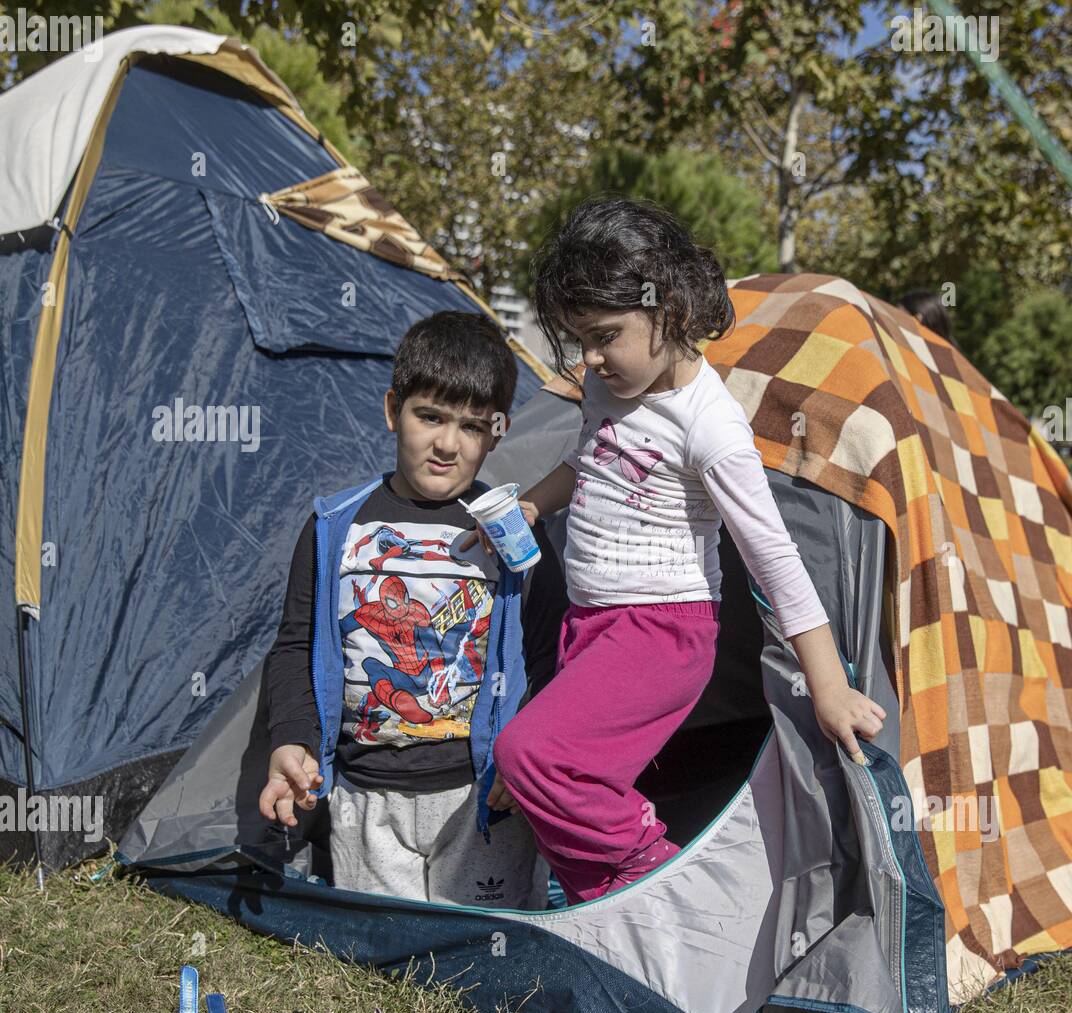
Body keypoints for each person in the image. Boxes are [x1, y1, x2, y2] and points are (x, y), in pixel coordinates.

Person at [460, 197, 886, 905]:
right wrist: (533, 503)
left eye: (605, 336)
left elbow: (773, 558)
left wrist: (829, 684)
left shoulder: (709, 426)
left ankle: (661, 880)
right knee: (570, 777)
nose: (590, 358)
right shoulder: (608, 386)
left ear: (674, 311)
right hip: (589, 623)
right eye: (579, 340)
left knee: (530, 755)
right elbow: (588, 461)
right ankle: (610, 913)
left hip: (661, 632)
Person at [258, 311, 568, 908]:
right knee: (385, 951)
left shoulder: (514, 532)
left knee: (485, 950)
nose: (448, 444)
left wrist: (529, 757)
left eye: (472, 426)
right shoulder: (334, 527)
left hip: (485, 798)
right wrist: (291, 740)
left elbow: (550, 654)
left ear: (497, 432)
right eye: (430, 417)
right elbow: (297, 645)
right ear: (392, 410)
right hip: (364, 797)